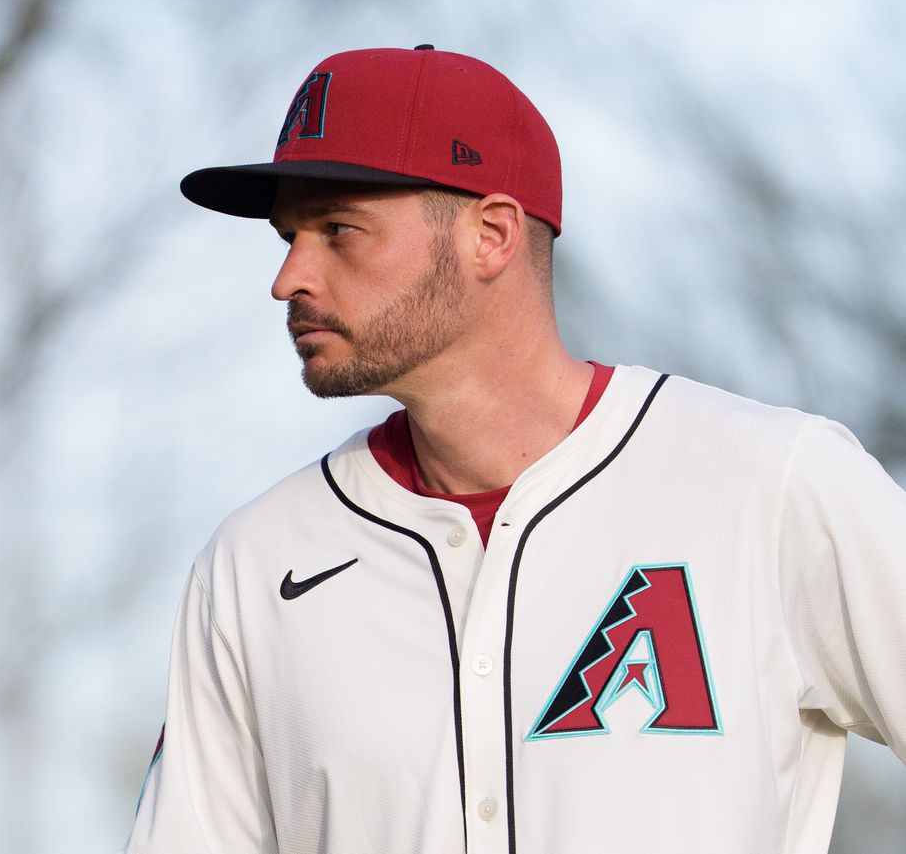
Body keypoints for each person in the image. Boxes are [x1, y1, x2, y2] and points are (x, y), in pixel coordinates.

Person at [120, 45, 906, 854]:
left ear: (490, 235)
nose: (288, 277)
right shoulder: (255, 562)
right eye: (288, 235)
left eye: (337, 230)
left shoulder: (771, 483)